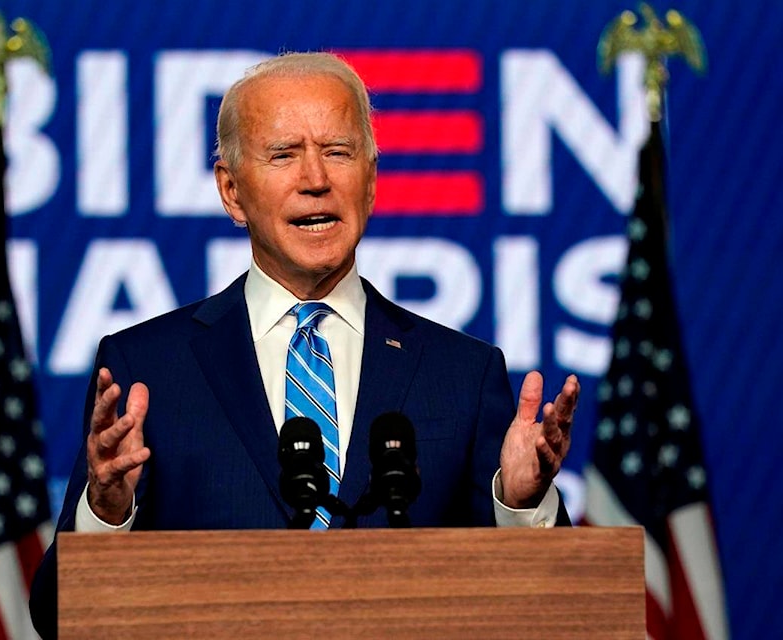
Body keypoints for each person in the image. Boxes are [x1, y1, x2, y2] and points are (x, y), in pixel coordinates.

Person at [29, 51, 579, 637]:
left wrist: (518, 508)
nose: (315, 180)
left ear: (370, 181)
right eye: (284, 155)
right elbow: (57, 617)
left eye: (338, 153)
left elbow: (560, 610)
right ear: (232, 192)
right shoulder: (148, 369)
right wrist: (108, 516)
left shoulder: (463, 374)